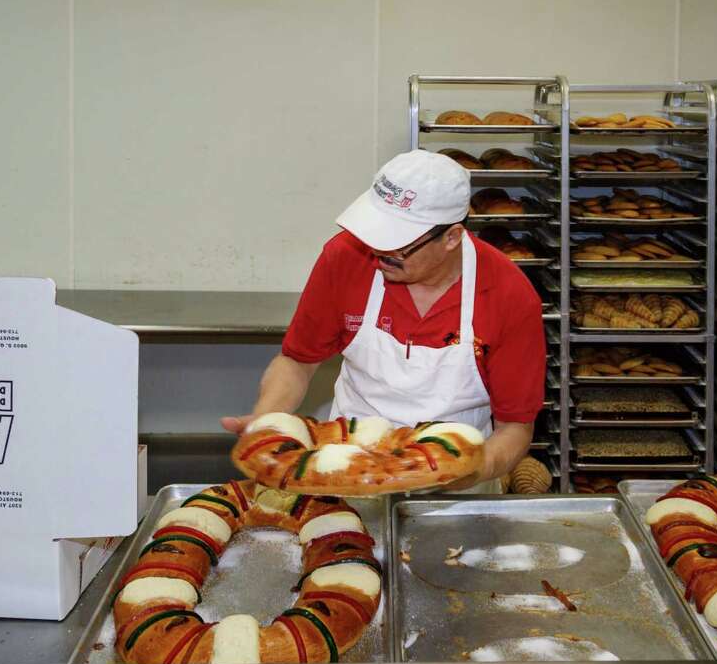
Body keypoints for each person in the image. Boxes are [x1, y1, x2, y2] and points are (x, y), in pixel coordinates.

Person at [222, 149, 547, 491]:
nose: (378, 253)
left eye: (397, 245)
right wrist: (267, 421)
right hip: (345, 469)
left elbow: (515, 428)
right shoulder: (345, 258)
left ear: (451, 237)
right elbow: (298, 362)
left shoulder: (507, 295)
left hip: (459, 485)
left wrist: (466, 474)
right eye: (374, 237)